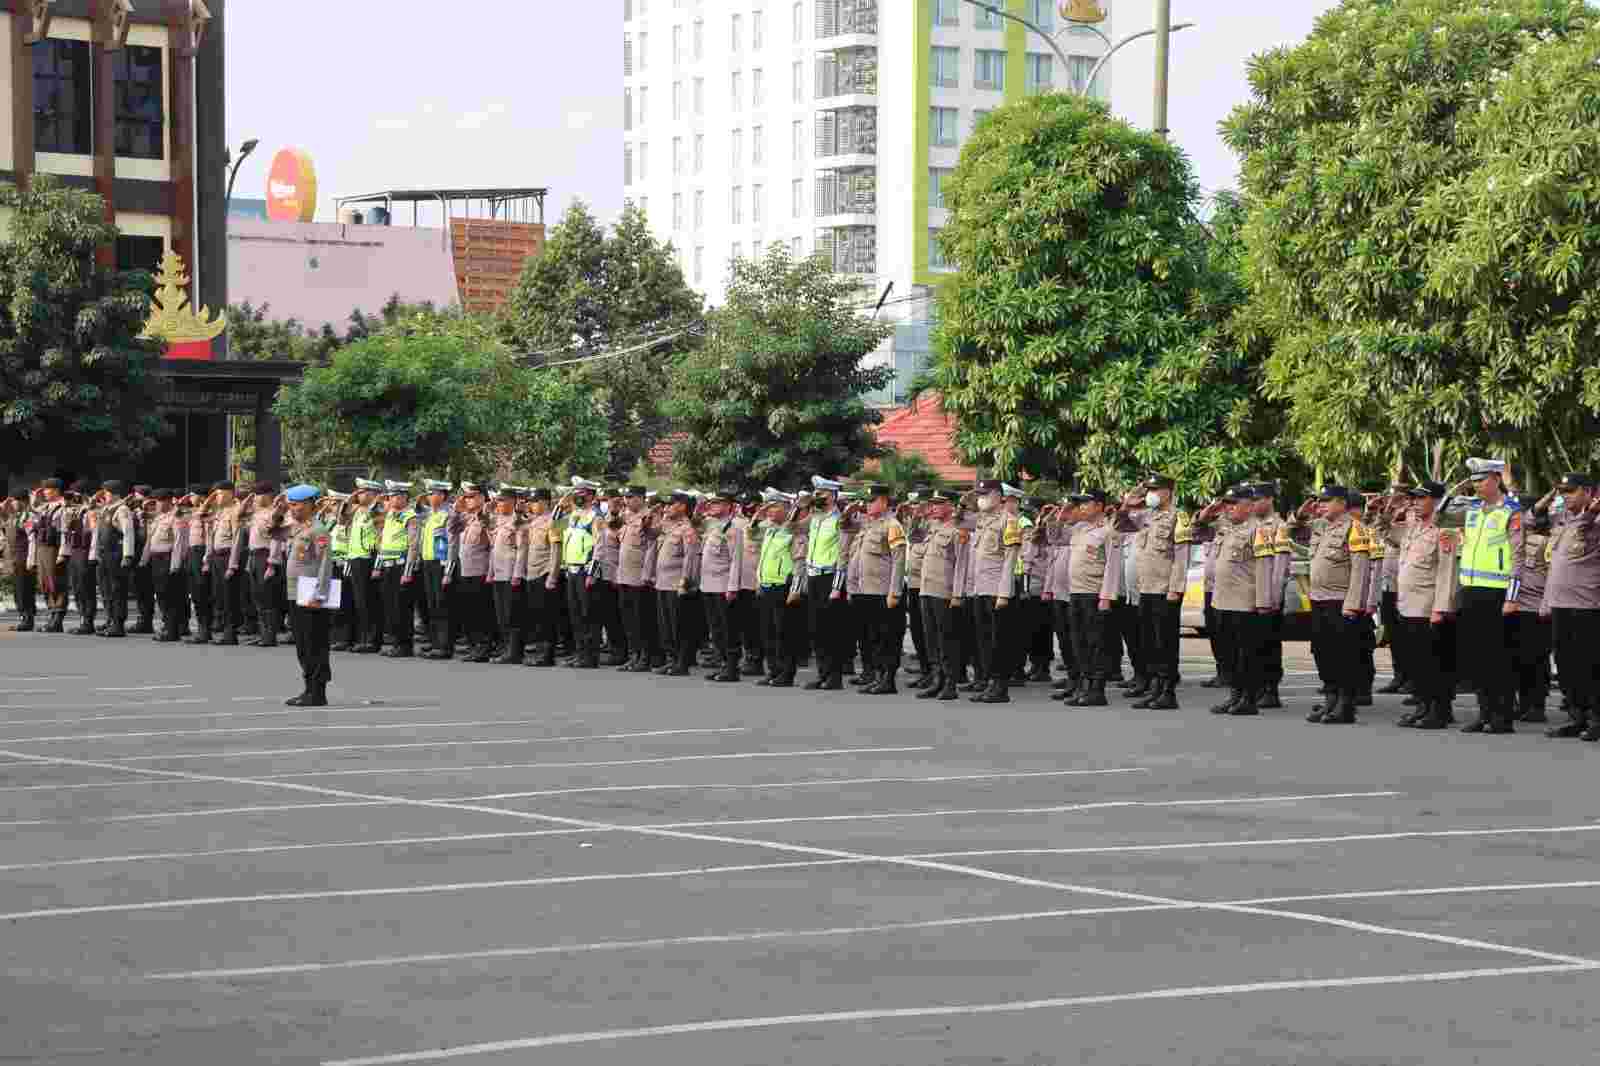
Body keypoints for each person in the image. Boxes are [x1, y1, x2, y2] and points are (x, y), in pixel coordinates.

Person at [1441, 459, 1521, 734]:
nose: (1476, 485)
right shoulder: (1472, 509)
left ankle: (1502, 716)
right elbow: (1440, 517)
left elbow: (1518, 556)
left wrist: (1512, 597)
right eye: (1473, 480)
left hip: (1497, 593)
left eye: (1481, 480)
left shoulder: (1511, 511)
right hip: (1471, 589)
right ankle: (1484, 712)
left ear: (1496, 479)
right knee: (1476, 657)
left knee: (1497, 657)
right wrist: (1454, 490)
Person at [1394, 480, 1460, 730]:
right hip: (1408, 604)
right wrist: (1389, 515)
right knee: (1416, 662)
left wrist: (1441, 607)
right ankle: (1423, 706)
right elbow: (1390, 538)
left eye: (1421, 498)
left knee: (1434, 662)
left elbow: (1447, 571)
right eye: (1414, 498)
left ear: (1436, 501)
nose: (1415, 502)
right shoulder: (1413, 527)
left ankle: (1439, 710)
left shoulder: (1445, 529)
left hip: (1428, 605)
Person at [1538, 474, 1600, 740]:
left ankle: (1596, 718)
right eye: (1562, 492)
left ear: (1588, 492)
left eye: (1570, 491)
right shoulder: (1561, 521)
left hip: (1588, 604)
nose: (1565, 496)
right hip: (1560, 603)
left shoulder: (1595, 521)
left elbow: (1584, 531)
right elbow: (1530, 521)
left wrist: (1590, 513)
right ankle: (1577, 716)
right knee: (1566, 664)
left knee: (1590, 665)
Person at [1122, 474, 1188, 711]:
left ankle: (1168, 692)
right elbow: (1120, 524)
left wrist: (1176, 588)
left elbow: (1181, 557)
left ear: (1167, 492)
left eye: (1154, 489)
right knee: (1149, 642)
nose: (1150, 494)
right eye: (1148, 490)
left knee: (1165, 642)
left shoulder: (1179, 517)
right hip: (1146, 588)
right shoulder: (1147, 516)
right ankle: (1155, 689)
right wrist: (1127, 502)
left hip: (1165, 589)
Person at [1203, 485, 1267, 716]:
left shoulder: (1258, 530)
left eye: (1233, 504)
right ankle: (1234, 695)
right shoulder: (1226, 529)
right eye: (1227, 504)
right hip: (1222, 600)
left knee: (1245, 654)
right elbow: (1198, 528)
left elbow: (1264, 568)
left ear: (1249, 506)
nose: (1228, 509)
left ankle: (1248, 698)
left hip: (1244, 601)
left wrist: (1262, 601)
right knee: (1227, 653)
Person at [1298, 485, 1357, 721]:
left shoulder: (1354, 528)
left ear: (1342, 503)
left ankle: (1345, 705)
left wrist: (1354, 603)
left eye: (1326, 500)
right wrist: (1303, 512)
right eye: (1319, 501)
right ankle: (1330, 699)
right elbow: (1293, 528)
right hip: (1319, 598)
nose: (1320, 505)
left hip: (1340, 600)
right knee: (1323, 653)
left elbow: (1360, 570)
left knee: (1342, 654)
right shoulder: (1321, 526)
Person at [1062, 489, 1123, 707]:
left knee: (1096, 642)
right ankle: (1085, 685)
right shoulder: (1078, 530)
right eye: (1079, 504)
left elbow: (1112, 567)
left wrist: (1106, 596)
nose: (1081, 507)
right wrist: (1065, 511)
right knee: (1079, 642)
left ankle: (1097, 689)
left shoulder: (1108, 532)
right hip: (1076, 592)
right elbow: (1052, 535)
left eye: (1085, 503)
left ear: (1099, 505)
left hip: (1094, 594)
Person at [965, 480, 1022, 705]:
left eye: (985, 494)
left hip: (997, 589)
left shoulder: (1009, 521)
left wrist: (1004, 592)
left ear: (998, 496)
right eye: (979, 495)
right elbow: (959, 519)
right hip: (981, 588)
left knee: (999, 640)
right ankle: (989, 682)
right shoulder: (981, 521)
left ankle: (1000, 686)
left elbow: (1010, 559)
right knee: (984, 640)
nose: (981, 499)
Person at [850, 484, 909, 695]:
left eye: (871, 501)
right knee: (873, 637)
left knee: (887, 637)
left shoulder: (892, 525)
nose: (867, 505)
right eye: (867, 501)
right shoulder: (869, 525)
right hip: (867, 590)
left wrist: (895, 591)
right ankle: (877, 676)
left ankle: (888, 679)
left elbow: (899, 559)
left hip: (884, 591)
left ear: (883, 502)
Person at [283, 484, 336, 707]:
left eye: (295, 505)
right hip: (296, 592)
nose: (291, 509)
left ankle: (317, 692)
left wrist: (320, 594)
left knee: (314, 643)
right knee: (303, 644)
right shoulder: (299, 528)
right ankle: (308, 689)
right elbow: (270, 529)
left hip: (311, 593)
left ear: (308, 505)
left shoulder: (318, 530)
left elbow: (325, 563)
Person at [1506, 490, 1555, 724]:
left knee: (1534, 660)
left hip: (1535, 607)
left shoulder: (1545, 541)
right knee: (1522, 660)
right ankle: (1526, 703)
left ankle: (1536, 705)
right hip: (1517, 606)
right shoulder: (1515, 539)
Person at [914, 489, 966, 701]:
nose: (933, 507)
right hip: (926, 589)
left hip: (945, 592)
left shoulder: (957, 531)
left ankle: (950, 683)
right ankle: (937, 680)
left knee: (947, 640)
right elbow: (914, 538)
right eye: (932, 504)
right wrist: (917, 517)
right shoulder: (932, 528)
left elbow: (961, 563)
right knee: (931, 639)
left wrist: (957, 593)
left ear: (950, 507)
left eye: (938, 504)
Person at [803, 476, 848, 691]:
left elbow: (843, 556)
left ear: (832, 496)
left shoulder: (840, 519)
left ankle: (834, 676)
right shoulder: (815, 518)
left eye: (821, 494)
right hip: (813, 576)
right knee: (816, 628)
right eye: (816, 493)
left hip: (830, 577)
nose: (817, 497)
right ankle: (822, 673)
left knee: (832, 630)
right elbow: (792, 526)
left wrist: (837, 587)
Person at [698, 489, 747, 682]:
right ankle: (723, 663)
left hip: (723, 585)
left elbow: (736, 559)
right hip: (708, 584)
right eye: (711, 503)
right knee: (716, 628)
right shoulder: (713, 526)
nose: (712, 506)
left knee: (728, 628)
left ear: (728, 506)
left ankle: (732, 667)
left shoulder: (733, 529)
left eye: (717, 503)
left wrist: (733, 586)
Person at [653, 491, 699, 676]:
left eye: (671, 504)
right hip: (663, 582)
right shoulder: (669, 527)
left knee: (679, 625)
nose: (667, 508)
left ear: (682, 506)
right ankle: (671, 659)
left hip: (677, 584)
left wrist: (685, 581)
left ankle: (681, 662)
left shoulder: (687, 529)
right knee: (665, 625)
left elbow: (690, 557)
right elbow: (648, 531)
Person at [447, 483, 494, 663]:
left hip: (481, 569)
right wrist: (455, 510)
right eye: (466, 497)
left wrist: (482, 512)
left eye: (472, 496)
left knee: (481, 612)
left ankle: (483, 647)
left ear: (483, 497)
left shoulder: (488, 515)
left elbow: (489, 531)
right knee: (468, 612)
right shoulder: (466, 517)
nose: (468, 500)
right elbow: (451, 529)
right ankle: (474, 646)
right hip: (465, 569)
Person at [614, 486, 658, 672]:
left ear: (641, 498)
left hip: (639, 577)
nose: (627, 500)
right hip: (624, 575)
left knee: (642, 620)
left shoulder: (650, 517)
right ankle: (634, 655)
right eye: (625, 497)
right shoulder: (625, 516)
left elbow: (651, 548)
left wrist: (647, 575)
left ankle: (645, 656)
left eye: (630, 497)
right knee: (628, 619)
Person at [374, 481, 419, 658]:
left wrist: (408, 572)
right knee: (390, 606)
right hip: (387, 565)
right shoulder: (389, 515)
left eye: (394, 496)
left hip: (401, 566)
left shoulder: (410, 516)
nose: (390, 499)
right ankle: (394, 642)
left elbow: (413, 545)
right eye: (390, 496)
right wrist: (378, 565)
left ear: (403, 497)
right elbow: (383, 541)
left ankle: (404, 644)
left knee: (402, 607)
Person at [522, 488, 560, 667]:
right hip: (532, 573)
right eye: (530, 502)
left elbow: (556, 549)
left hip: (544, 573)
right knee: (536, 615)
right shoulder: (533, 522)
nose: (531, 505)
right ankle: (538, 651)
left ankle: (546, 654)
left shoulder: (552, 522)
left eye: (535, 501)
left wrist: (552, 575)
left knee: (546, 616)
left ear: (545, 502)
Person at [416, 480, 454, 659]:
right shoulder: (431, 514)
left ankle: (444, 645)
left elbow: (449, 542)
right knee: (431, 603)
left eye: (433, 494)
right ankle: (434, 642)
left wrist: (447, 568)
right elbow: (417, 507)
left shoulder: (447, 513)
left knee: (441, 604)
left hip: (440, 562)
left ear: (442, 495)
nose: (430, 497)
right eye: (429, 494)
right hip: (428, 562)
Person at [346, 478, 384, 653]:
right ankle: (362, 638)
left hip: (368, 557)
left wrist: (374, 502)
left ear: (372, 494)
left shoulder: (377, 511)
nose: (358, 495)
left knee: (369, 600)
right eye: (358, 492)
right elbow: (341, 517)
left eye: (362, 492)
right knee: (360, 601)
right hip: (355, 557)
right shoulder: (358, 511)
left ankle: (372, 639)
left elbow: (380, 532)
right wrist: (350, 499)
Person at [95, 481, 137, 638]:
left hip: (116, 554)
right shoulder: (106, 509)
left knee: (117, 589)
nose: (104, 495)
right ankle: (110, 619)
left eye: (106, 492)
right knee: (106, 590)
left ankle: (118, 623)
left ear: (114, 493)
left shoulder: (122, 509)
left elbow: (128, 533)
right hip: (105, 554)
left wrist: (127, 555)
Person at [4, 490, 35, 631]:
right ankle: (23, 617)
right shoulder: (14, 516)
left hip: (23, 558)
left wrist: (31, 558)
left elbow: (31, 537)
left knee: (24, 589)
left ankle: (27, 619)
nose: (12, 503)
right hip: (15, 558)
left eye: (15, 501)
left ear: (23, 501)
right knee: (18, 590)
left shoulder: (27, 517)